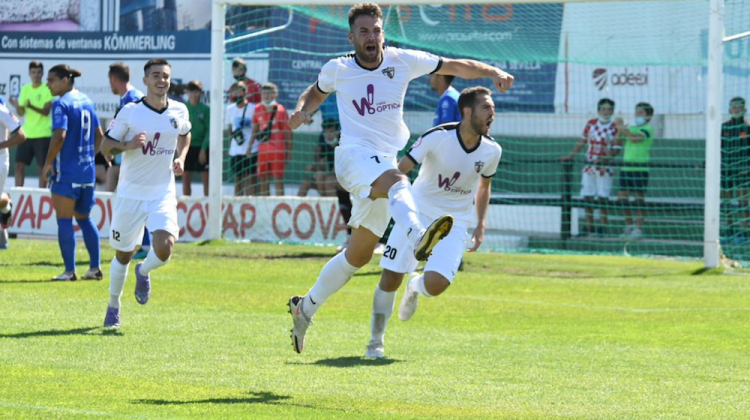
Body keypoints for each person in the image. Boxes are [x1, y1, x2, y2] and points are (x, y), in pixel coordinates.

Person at [286, 2, 514, 354]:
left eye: (376, 31)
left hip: (383, 161)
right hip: (353, 156)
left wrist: (492, 70)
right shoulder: (339, 68)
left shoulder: (401, 60)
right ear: (352, 36)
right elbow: (314, 92)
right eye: (364, 32)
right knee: (398, 181)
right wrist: (302, 110)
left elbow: (454, 65)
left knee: (358, 255)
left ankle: (306, 308)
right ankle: (418, 235)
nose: (371, 37)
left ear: (383, 34)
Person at [365, 86, 501, 358]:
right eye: (486, 108)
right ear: (467, 111)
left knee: (436, 285)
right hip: (417, 214)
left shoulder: (492, 150)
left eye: (493, 109)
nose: (492, 114)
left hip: (454, 222)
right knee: (390, 278)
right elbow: (400, 169)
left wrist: (481, 223)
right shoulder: (438, 136)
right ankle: (375, 342)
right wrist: (382, 198)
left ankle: (415, 285)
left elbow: (484, 187)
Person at [100, 58, 191, 327]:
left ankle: (144, 270)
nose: (161, 80)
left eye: (165, 76)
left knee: (164, 248)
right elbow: (106, 146)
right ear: (145, 80)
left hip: (161, 193)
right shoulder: (130, 111)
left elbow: (185, 133)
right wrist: (128, 145)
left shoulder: (179, 110)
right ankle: (113, 305)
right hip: (130, 194)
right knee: (123, 254)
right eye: (155, 75)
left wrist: (181, 157)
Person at [41, 64, 104, 281]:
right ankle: (94, 268)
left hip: (67, 174)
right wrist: (89, 157)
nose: (47, 84)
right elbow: (99, 135)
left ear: (65, 80)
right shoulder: (87, 101)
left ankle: (69, 272)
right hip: (87, 174)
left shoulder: (61, 104)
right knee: (85, 219)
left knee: (64, 221)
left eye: (51, 80)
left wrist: (48, 162)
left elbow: (59, 136)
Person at [107, 62, 151, 260]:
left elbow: (138, 130)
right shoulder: (129, 97)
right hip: (130, 157)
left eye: (110, 80)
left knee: (138, 202)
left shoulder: (133, 99)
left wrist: (116, 146)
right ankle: (140, 244)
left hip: (139, 159)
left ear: (114, 79)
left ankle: (143, 245)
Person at [560, 98, 618, 237]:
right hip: (589, 165)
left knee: (604, 198)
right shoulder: (591, 123)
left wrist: (605, 158)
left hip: (605, 167)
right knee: (588, 196)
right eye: (603, 108)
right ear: (599, 110)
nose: (606, 111)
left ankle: (603, 227)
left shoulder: (615, 126)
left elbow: (616, 148)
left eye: (609, 109)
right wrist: (571, 155)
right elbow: (582, 141)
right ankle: (589, 226)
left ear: (612, 111)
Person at [614, 102, 655, 240]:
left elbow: (634, 138)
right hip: (626, 168)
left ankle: (638, 229)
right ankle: (629, 225)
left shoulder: (647, 128)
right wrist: (619, 130)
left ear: (648, 116)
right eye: (636, 112)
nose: (638, 115)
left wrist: (622, 128)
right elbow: (617, 143)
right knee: (622, 198)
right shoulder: (630, 128)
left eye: (641, 113)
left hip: (640, 169)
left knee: (639, 199)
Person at [9, 61, 53, 188]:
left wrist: (31, 106)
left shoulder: (47, 89)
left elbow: (46, 111)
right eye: (33, 72)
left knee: (42, 168)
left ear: (42, 73)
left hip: (43, 134)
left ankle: (41, 195)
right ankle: (18, 193)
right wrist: (17, 105)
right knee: (18, 165)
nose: (36, 75)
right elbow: (21, 112)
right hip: (27, 133)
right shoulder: (25, 88)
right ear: (29, 73)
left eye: (39, 72)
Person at [248, 83, 291, 196]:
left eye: (269, 93)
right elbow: (255, 129)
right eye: (264, 92)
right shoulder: (258, 108)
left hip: (278, 150)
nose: (266, 95)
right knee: (263, 178)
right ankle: (264, 204)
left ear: (275, 94)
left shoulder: (281, 110)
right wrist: (249, 147)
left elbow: (288, 132)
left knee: (278, 179)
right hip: (262, 150)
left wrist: (289, 152)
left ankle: (280, 204)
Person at [720, 97, 750, 245]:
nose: (736, 110)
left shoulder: (747, 128)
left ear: (744, 109)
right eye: (734, 107)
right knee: (725, 202)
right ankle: (729, 229)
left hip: (743, 171)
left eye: (739, 107)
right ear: (729, 110)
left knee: (743, 202)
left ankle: (744, 232)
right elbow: (717, 148)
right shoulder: (724, 128)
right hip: (726, 170)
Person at [0, 97, 27, 249]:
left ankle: (5, 205)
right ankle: (5, 206)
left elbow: (21, 135)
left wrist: (1, 145)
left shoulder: (2, 109)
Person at [226, 81, 257, 196]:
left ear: (245, 92)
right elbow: (230, 128)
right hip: (236, 150)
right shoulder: (230, 109)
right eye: (235, 90)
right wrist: (232, 144)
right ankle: (237, 204)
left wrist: (250, 146)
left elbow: (256, 128)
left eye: (240, 90)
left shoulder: (253, 108)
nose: (237, 93)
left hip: (251, 149)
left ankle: (250, 203)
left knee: (249, 178)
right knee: (238, 178)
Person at [183, 80, 210, 197]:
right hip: (187, 147)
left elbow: (210, 130)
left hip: (202, 147)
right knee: (186, 177)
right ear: (187, 93)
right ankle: (186, 208)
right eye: (192, 91)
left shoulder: (206, 109)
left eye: (198, 91)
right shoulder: (183, 108)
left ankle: (209, 207)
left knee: (206, 179)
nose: (195, 94)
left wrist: (203, 149)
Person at [298, 119, 339, 197]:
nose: (328, 135)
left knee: (329, 180)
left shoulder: (343, 145)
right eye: (326, 132)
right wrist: (313, 167)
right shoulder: (323, 147)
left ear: (337, 132)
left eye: (331, 131)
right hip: (328, 178)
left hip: (343, 179)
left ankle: (331, 206)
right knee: (312, 179)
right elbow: (320, 167)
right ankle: (296, 206)